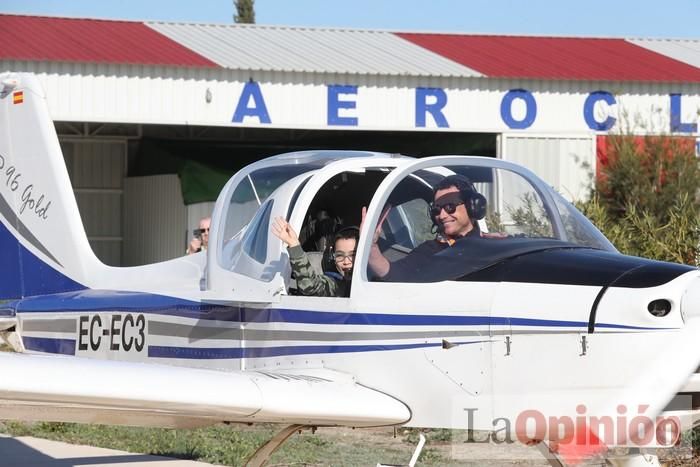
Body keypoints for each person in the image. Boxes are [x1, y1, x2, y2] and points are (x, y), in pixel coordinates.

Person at [367, 174, 488, 282]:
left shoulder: (493, 245)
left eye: (450, 206)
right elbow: (393, 273)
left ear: (473, 206)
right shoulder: (430, 252)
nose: (442, 215)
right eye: (437, 209)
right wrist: (372, 246)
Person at [272, 217, 358, 297]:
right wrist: (294, 245)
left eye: (353, 255)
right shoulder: (337, 285)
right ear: (332, 256)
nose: (346, 261)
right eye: (339, 256)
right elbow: (310, 286)